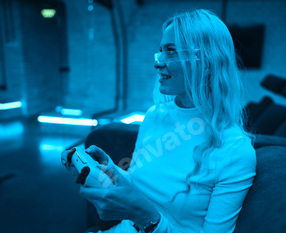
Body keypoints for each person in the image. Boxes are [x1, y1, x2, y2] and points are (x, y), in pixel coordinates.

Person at [62, 8, 256, 233]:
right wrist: (110, 170)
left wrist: (146, 217)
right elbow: (138, 183)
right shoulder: (155, 115)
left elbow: (145, 211)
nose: (157, 62)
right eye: (161, 50)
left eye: (172, 51)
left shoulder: (236, 152)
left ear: (205, 59)